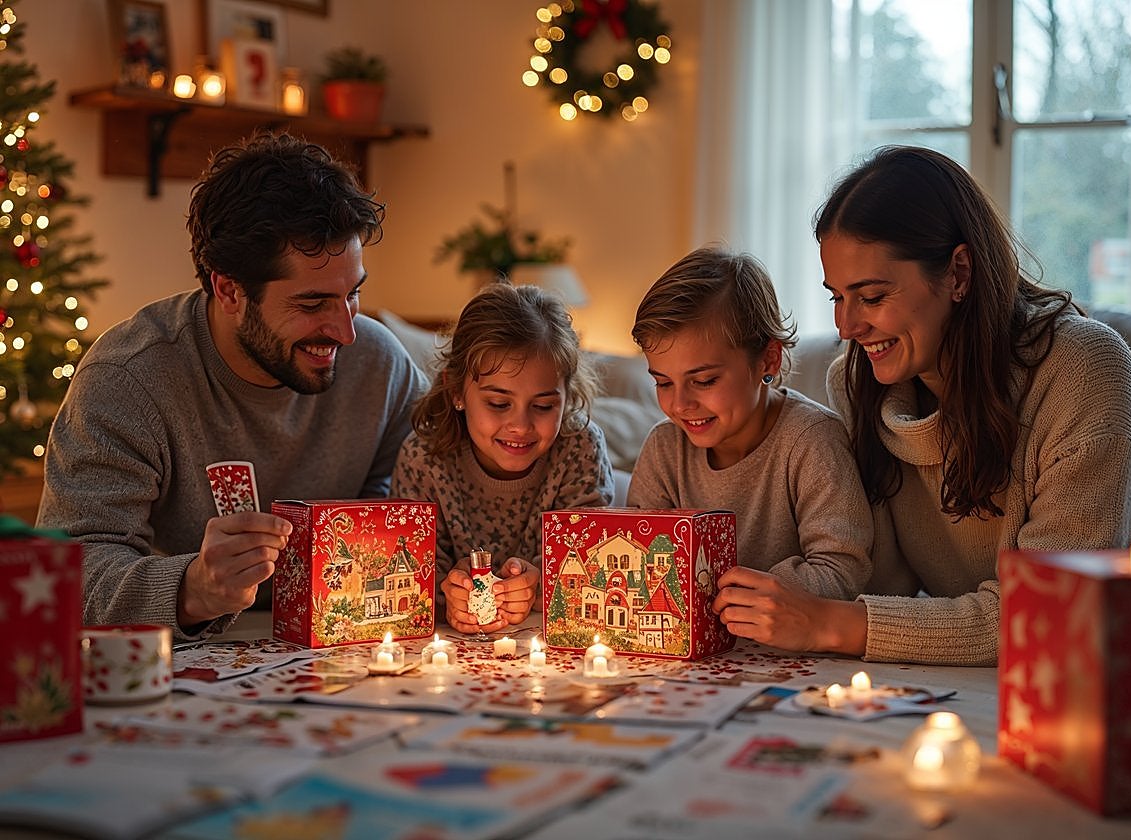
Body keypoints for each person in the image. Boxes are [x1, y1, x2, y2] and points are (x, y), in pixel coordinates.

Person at [809, 145, 1131, 666]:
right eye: (836, 296)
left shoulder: (1084, 369)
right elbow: (884, 582)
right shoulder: (858, 386)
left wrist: (835, 625)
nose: (847, 327)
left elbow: (1048, 609)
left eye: (872, 296)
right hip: (1036, 658)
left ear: (959, 273)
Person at [37, 132, 426, 640]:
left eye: (352, 294)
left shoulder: (380, 364)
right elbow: (66, 571)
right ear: (230, 291)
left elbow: (443, 484)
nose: (346, 331)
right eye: (312, 305)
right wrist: (192, 589)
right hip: (178, 660)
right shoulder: (127, 381)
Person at [626, 247, 874, 650]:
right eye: (663, 382)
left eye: (704, 381)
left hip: (796, 654)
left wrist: (729, 598)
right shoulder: (664, 447)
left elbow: (843, 570)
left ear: (767, 359)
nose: (679, 404)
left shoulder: (812, 439)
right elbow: (641, 558)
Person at [391, 282, 614, 634]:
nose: (520, 426)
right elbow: (409, 574)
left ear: (567, 396)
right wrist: (452, 590)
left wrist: (536, 583)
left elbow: (590, 566)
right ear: (456, 392)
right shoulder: (423, 458)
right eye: (498, 404)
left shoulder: (579, 448)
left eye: (543, 406)